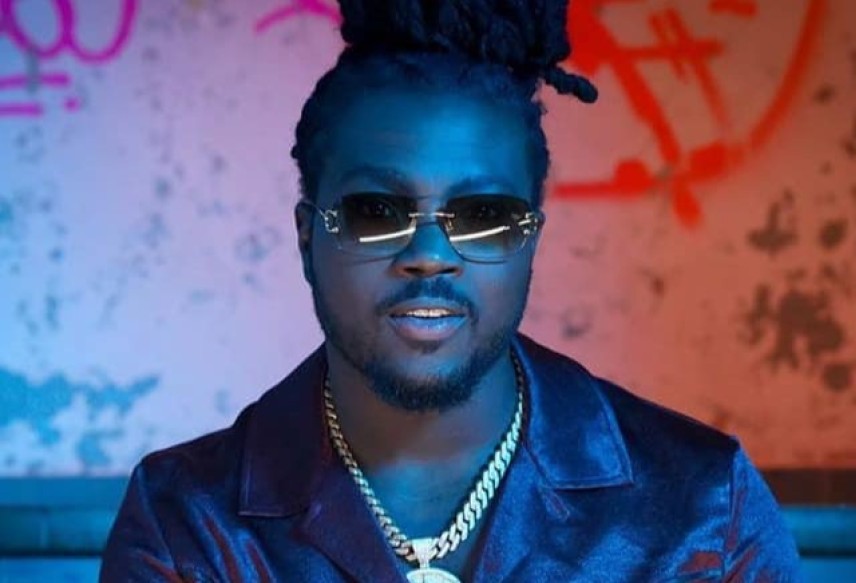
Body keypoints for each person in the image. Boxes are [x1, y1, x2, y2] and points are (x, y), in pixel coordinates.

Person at [100, 1, 802, 581]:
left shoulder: (704, 509)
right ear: (307, 239)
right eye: (377, 212)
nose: (430, 256)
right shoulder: (186, 524)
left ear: (529, 240)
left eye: (483, 215)